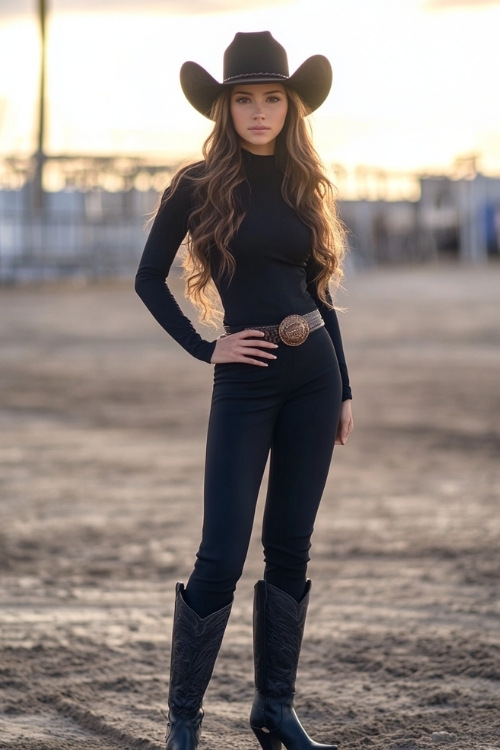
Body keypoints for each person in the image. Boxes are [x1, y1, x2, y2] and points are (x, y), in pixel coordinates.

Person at [135, 30, 353, 750]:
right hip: (245, 381)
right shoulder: (196, 187)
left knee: (290, 546)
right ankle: (185, 722)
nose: (259, 111)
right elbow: (146, 279)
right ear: (224, 109)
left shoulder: (303, 184)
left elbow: (318, 293)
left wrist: (345, 388)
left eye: (272, 98)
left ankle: (275, 711)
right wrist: (208, 347)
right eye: (244, 99)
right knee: (221, 554)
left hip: (314, 375)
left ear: (291, 107)